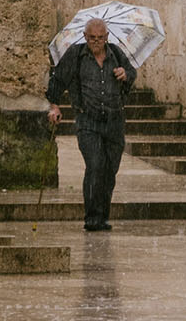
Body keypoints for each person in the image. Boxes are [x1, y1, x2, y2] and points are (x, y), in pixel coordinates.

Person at [46, 19, 136, 232]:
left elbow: (132, 73)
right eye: (92, 38)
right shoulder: (76, 55)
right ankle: (92, 218)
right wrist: (54, 106)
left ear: (107, 37)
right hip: (88, 121)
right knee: (95, 166)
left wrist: (125, 74)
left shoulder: (116, 53)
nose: (97, 42)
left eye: (101, 38)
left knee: (110, 170)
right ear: (85, 37)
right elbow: (57, 80)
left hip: (115, 121)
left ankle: (103, 216)